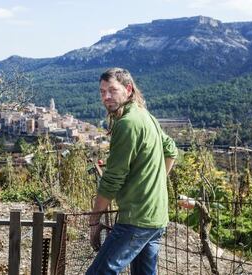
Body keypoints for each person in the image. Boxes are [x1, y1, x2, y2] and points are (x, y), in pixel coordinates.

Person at [86, 68, 178, 275]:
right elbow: (171, 150)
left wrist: (94, 219)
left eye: (112, 90)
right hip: (157, 216)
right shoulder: (145, 116)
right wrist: (156, 184)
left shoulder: (127, 124)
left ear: (128, 90)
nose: (106, 96)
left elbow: (112, 179)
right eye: (102, 92)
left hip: (136, 219)